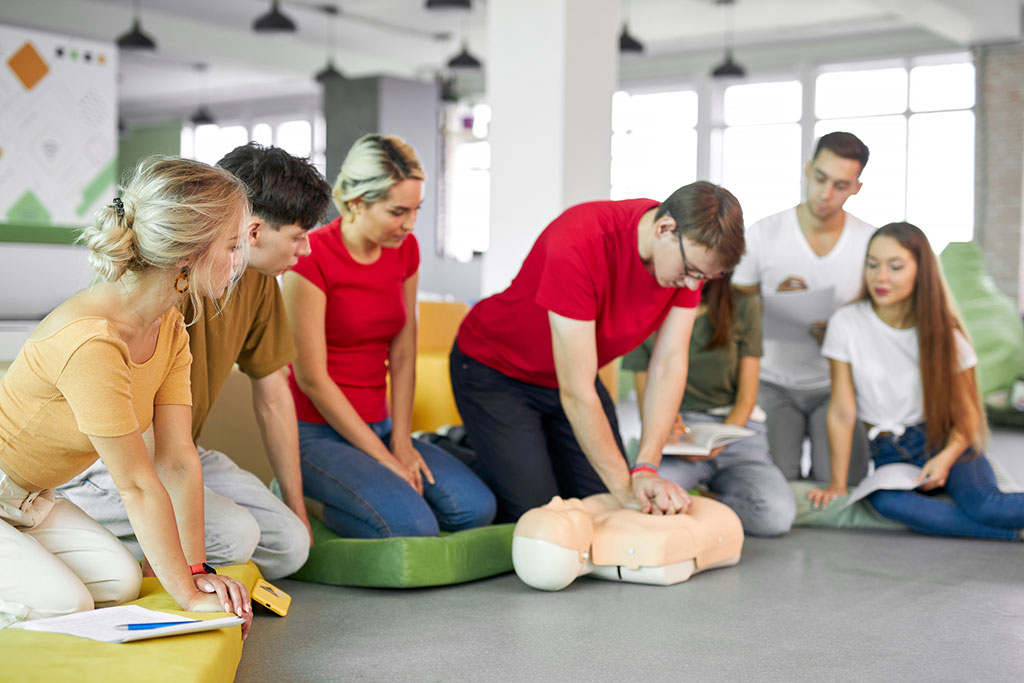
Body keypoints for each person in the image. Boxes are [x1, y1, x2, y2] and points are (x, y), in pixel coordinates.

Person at [0, 157, 252, 634]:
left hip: (35, 500)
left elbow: (176, 460)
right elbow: (136, 485)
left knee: (119, 585)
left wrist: (195, 574)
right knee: (66, 604)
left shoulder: (170, 325)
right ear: (188, 255)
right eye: (233, 246)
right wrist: (189, 600)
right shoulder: (92, 341)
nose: (239, 262)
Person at [60, 143, 332, 580]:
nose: (306, 251)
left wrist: (296, 506)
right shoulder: (166, 291)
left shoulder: (256, 283)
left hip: (179, 448)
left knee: (289, 544)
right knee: (236, 536)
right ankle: (75, 531)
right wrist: (179, 562)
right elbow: (141, 441)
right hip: (111, 457)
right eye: (299, 237)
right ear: (253, 231)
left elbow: (274, 396)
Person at [450, 181, 746, 522]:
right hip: (496, 370)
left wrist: (646, 467)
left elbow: (668, 364)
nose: (693, 286)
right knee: (542, 513)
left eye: (705, 278)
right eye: (691, 272)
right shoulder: (579, 240)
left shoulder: (685, 260)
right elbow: (576, 393)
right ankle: (461, 446)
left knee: (599, 502)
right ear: (666, 228)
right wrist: (626, 493)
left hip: (574, 379)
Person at [282, 133, 496, 538]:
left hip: (381, 423)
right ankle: (315, 502)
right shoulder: (311, 256)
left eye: (416, 210)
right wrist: (383, 458)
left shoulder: (406, 250)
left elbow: (403, 351)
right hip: (315, 431)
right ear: (358, 202)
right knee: (412, 526)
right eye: (398, 211)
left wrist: (401, 441)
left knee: (474, 509)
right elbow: (311, 378)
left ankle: (376, 489)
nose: (410, 224)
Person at [809, 222, 1024, 541]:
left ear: (920, 272)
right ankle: (1015, 534)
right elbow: (842, 410)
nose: (880, 277)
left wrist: (945, 458)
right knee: (885, 502)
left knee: (986, 506)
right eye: (872, 264)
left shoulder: (946, 335)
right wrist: (837, 485)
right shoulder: (847, 323)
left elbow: (968, 417)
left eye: (895, 266)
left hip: (948, 440)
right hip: (889, 452)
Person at [732, 131, 874, 484]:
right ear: (808, 169)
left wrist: (839, 330)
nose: (826, 194)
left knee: (843, 483)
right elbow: (736, 309)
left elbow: (879, 320)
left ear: (856, 187)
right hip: (773, 382)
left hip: (835, 385)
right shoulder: (764, 233)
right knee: (777, 483)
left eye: (840, 185)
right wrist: (777, 305)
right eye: (820, 179)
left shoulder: (870, 242)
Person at [622, 277, 795, 537]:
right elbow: (647, 399)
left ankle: (701, 499)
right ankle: (688, 494)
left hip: (735, 429)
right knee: (647, 500)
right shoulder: (642, 307)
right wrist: (666, 427)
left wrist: (719, 441)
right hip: (679, 432)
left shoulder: (743, 305)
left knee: (776, 515)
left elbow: (746, 400)